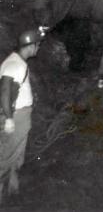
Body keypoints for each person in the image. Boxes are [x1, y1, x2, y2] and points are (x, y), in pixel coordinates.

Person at [0, 28, 46, 204]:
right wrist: (9, 119)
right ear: (30, 46)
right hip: (16, 117)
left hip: (18, 115)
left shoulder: (15, 61)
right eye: (37, 45)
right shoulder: (16, 65)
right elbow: (5, 90)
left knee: (15, 154)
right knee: (6, 156)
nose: (38, 48)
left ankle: (12, 189)